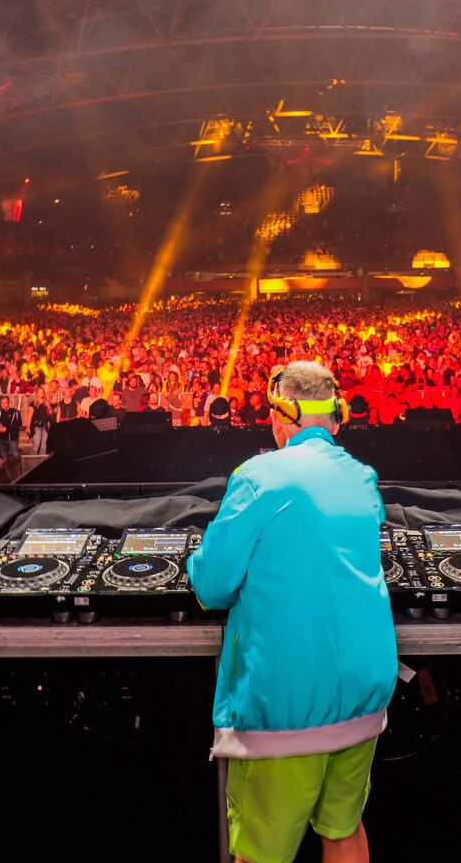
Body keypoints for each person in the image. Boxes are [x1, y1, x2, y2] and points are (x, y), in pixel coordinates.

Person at [188, 361, 396, 863]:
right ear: (337, 417)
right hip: (365, 697)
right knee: (343, 830)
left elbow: (212, 587)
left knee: (260, 855)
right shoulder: (363, 477)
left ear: (282, 413)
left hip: (287, 704)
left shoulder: (258, 476)